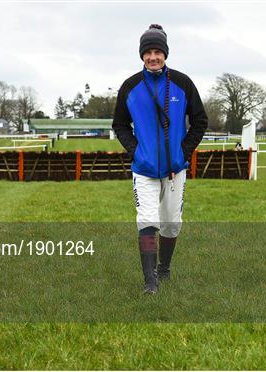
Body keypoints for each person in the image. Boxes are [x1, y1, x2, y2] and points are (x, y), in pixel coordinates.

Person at [112, 24, 208, 294]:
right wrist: (136, 150)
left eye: (158, 52)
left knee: (170, 223)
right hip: (144, 169)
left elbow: (200, 121)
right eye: (148, 52)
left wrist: (184, 151)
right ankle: (150, 282)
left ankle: (164, 268)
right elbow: (119, 124)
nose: (153, 57)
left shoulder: (183, 83)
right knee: (147, 219)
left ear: (165, 54)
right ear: (141, 55)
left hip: (175, 169)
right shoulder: (130, 87)